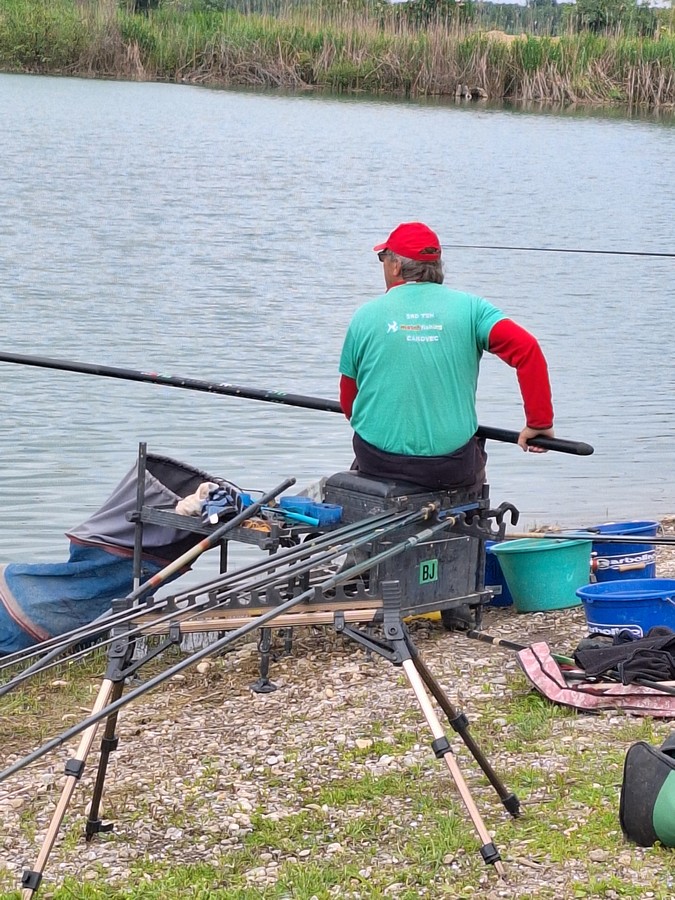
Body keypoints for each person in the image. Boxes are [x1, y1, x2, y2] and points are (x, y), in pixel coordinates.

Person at [338, 221, 555, 493]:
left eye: (383, 257)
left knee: (364, 447)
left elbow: (349, 401)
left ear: (395, 266)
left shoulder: (365, 316)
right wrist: (539, 423)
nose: (383, 265)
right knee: (470, 456)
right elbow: (527, 350)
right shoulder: (472, 309)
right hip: (449, 465)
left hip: (378, 460)